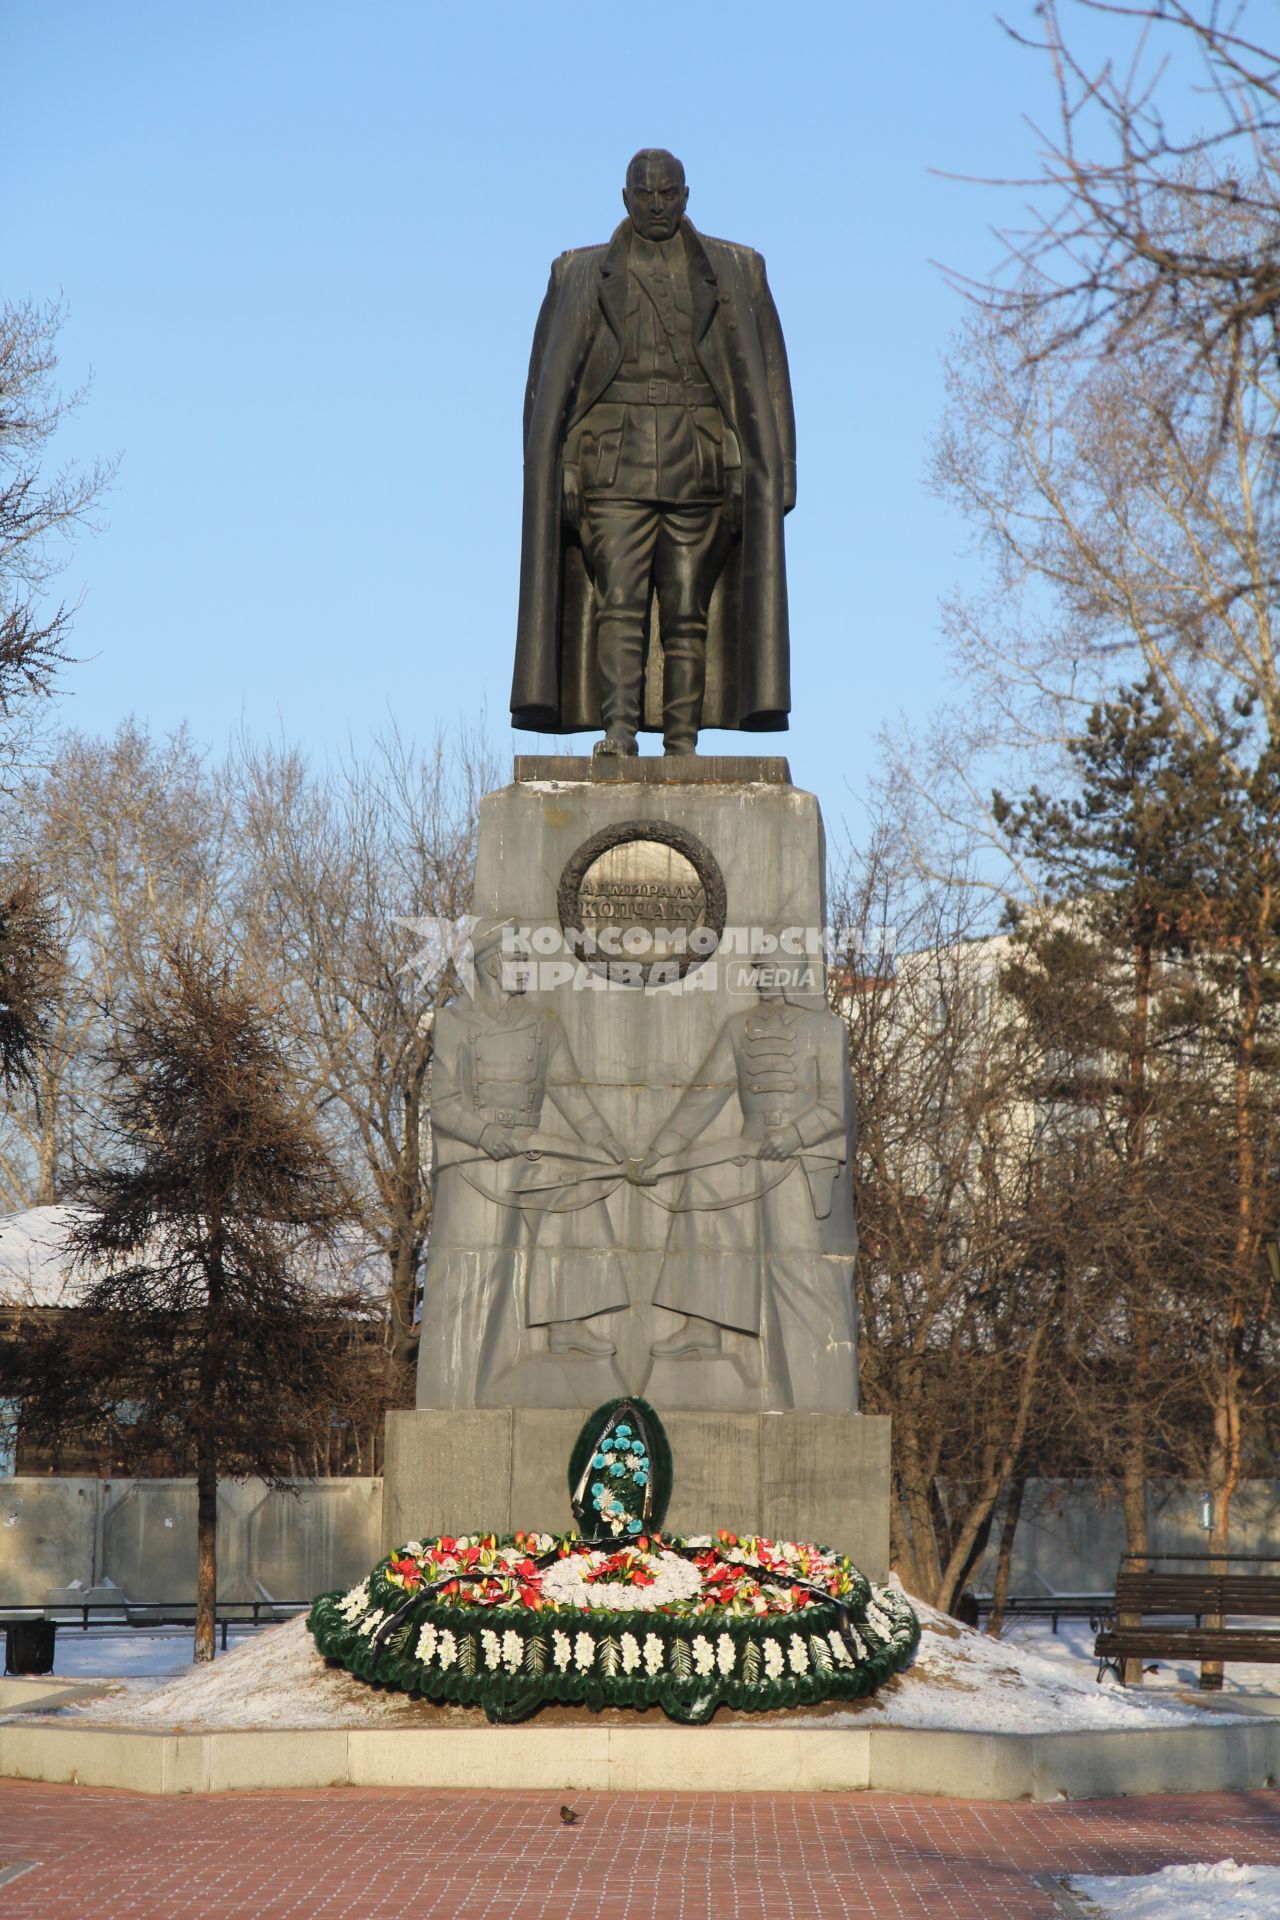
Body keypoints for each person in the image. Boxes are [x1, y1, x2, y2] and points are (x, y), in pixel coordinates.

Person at [512, 149, 796, 756]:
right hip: (612, 463)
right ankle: (619, 729)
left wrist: (778, 470)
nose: (658, 206)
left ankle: (683, 740)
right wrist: (558, 464)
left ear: (686, 196)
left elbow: (770, 376)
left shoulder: (734, 269)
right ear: (625, 198)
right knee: (620, 602)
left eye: (668, 195)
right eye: (646, 196)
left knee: (688, 609)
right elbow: (545, 391)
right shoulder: (581, 274)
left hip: (699, 464)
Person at [416, 923, 629, 1407]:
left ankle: (566, 1325)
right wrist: (486, 1135)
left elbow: (570, 1094)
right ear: (492, 964)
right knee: (485, 1262)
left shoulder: (542, 1025)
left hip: (531, 1149)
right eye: (517, 959)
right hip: (477, 1156)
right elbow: (445, 1105)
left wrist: (606, 1143)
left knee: (577, 1200)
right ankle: (467, 1381)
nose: (526, 968)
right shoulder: (454, 1023)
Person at [637, 952, 858, 1412]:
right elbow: (703, 1100)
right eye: (760, 969)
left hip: (797, 1157)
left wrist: (793, 1136)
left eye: (774, 968)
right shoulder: (739, 1028)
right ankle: (702, 1324)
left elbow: (836, 1109)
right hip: (749, 1148)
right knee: (699, 1187)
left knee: (792, 1262)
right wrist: (660, 1151)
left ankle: (814, 1382)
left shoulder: (825, 1029)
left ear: (795, 973)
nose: (765, 977)